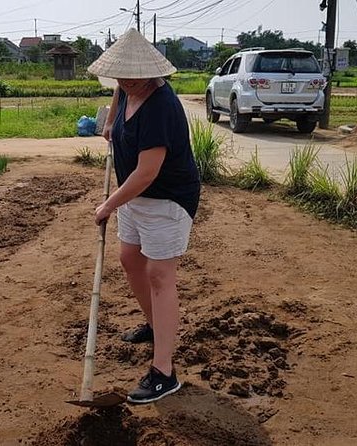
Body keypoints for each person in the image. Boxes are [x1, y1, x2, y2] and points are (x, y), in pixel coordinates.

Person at [87, 28, 201, 404]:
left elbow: (147, 172)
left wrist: (108, 205)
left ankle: (164, 372)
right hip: (135, 196)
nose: (125, 82)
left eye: (133, 77)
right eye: (121, 76)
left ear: (152, 75)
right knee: (129, 259)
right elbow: (119, 93)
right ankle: (156, 326)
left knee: (159, 274)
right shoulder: (128, 87)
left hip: (166, 197)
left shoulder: (161, 106)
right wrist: (110, 122)